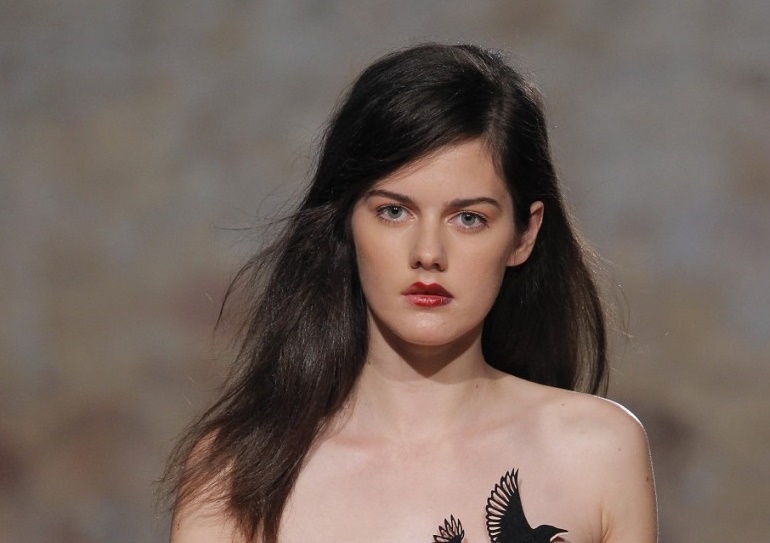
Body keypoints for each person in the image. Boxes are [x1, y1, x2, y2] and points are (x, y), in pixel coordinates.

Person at [162, 43, 657, 543]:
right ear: (345, 220)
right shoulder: (235, 475)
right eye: (393, 211)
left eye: (469, 218)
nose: (428, 253)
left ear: (524, 235)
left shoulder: (597, 454)